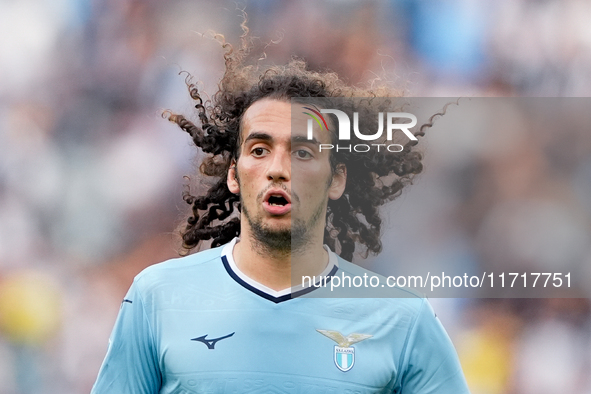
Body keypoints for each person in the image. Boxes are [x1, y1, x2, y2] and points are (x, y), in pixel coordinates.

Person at [91, 34, 470, 393]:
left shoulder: (401, 318)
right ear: (234, 174)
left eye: (303, 152)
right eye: (259, 150)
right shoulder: (156, 297)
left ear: (336, 180)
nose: (278, 168)